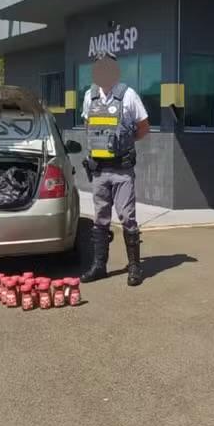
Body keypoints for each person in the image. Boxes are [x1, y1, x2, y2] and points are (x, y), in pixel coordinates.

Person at [80, 53, 150, 286]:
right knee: (100, 219)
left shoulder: (128, 96)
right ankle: (99, 266)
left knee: (128, 218)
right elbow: (88, 127)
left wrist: (124, 144)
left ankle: (134, 267)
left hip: (121, 170)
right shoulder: (89, 97)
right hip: (99, 170)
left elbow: (143, 128)